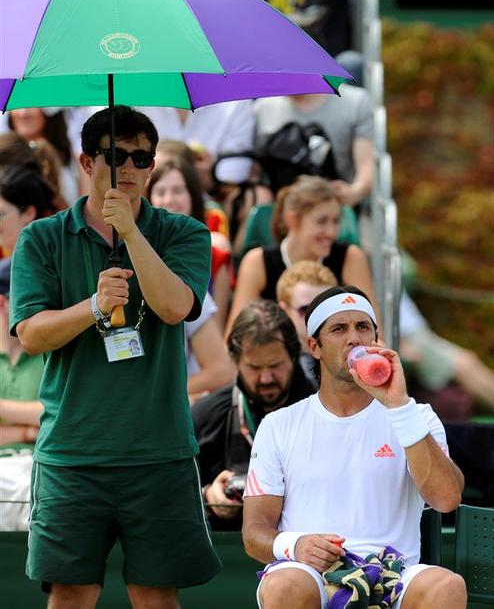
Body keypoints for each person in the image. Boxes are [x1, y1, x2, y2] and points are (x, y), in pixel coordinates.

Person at [10, 105, 221, 608]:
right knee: (71, 593)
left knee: (155, 596)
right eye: (115, 155)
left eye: (141, 158)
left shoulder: (184, 232)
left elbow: (175, 308)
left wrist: (130, 231)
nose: (129, 168)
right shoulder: (39, 238)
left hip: (159, 451)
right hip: (73, 452)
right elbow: (33, 336)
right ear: (86, 162)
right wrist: (93, 306)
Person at [242, 285, 466, 609]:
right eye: (339, 329)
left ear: (376, 339)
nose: (354, 338)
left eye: (363, 327)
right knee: (283, 585)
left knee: (447, 587)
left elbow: (446, 499)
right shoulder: (279, 425)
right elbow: (254, 533)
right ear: (314, 347)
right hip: (312, 573)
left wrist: (399, 406)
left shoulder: (415, 415)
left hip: (393, 573)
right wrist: (296, 544)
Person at [192, 299, 315, 530]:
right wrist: (207, 496)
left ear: (294, 355)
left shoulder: (327, 411)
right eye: (254, 368)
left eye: (275, 365)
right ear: (236, 362)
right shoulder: (206, 417)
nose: (266, 378)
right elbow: (169, 492)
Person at [226, 175, 382, 336]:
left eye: (336, 221)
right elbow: (235, 335)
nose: (331, 232)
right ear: (292, 219)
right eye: (321, 221)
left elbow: (375, 333)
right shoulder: (257, 261)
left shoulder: (351, 257)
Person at [146, 158, 233, 330]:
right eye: (160, 192)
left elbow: (219, 325)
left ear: (192, 196)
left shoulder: (216, 252)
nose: (169, 200)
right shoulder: (139, 251)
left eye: (178, 191)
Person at [0, 258, 44, 530]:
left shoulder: (52, 354)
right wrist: (30, 430)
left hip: (43, 467)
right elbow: (45, 418)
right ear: (3, 304)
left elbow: (57, 415)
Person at [276, 260, 337, 385]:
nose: (317, 317)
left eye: (325, 308)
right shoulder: (273, 363)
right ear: (284, 311)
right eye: (306, 309)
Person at [7, 107, 80, 205]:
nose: (23, 113)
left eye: (31, 105)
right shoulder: (4, 154)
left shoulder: (75, 160)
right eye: (18, 105)